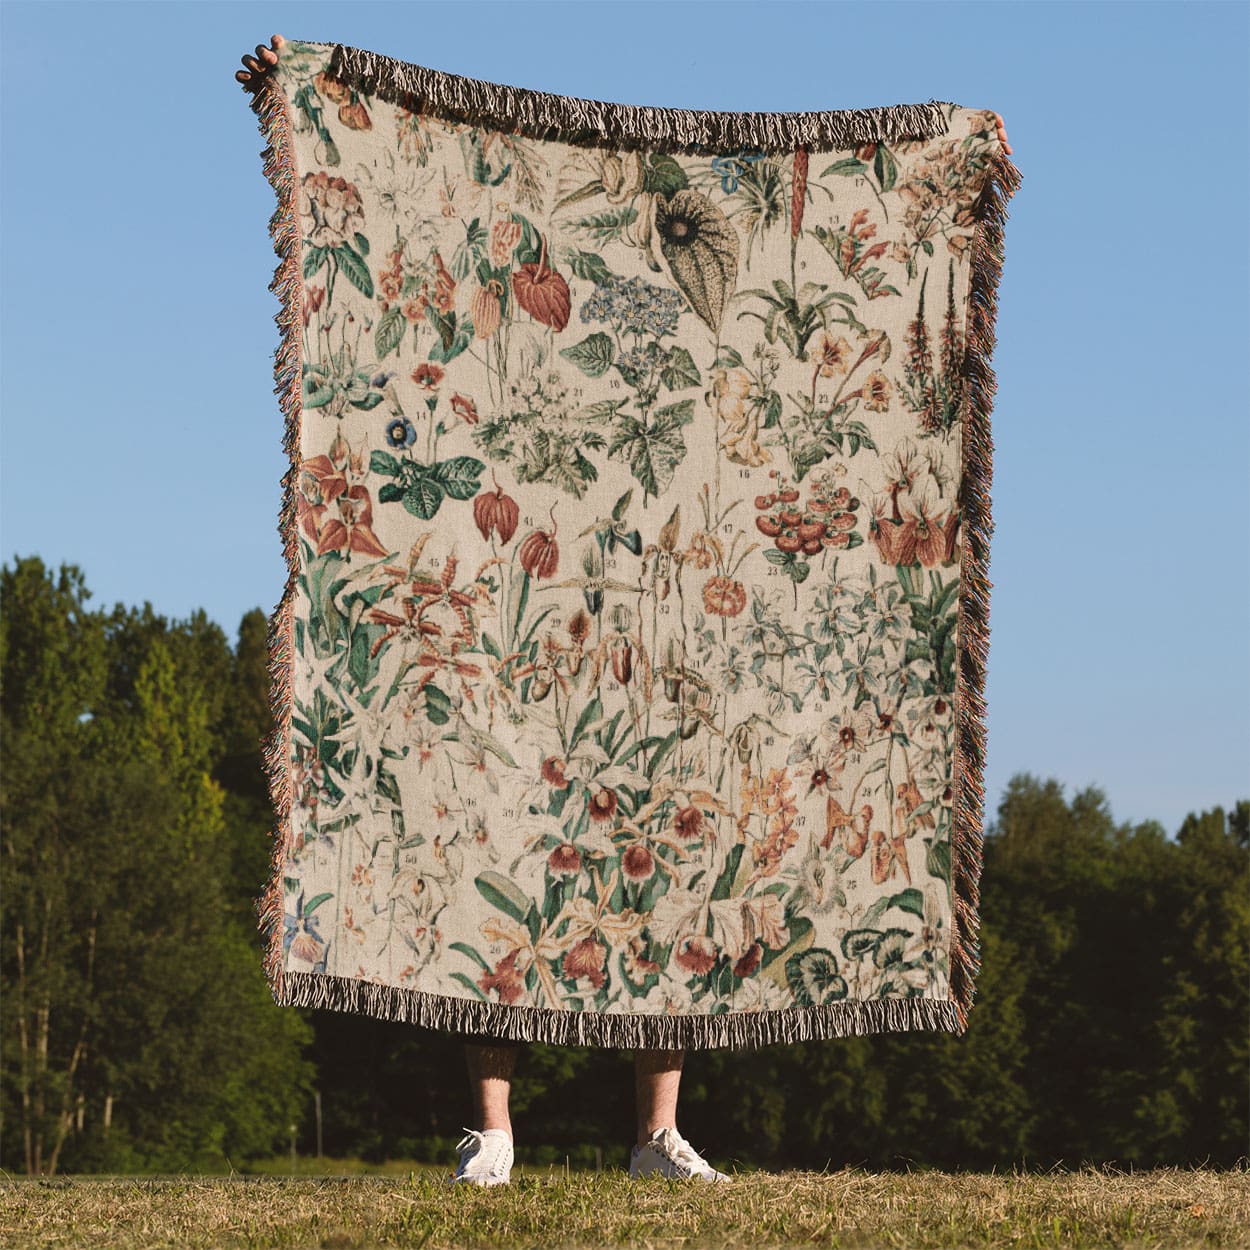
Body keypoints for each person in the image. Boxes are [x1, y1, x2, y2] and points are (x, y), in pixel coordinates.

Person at [235, 35, 1013, 1187]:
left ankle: (655, 1133)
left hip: (674, 631)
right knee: (486, 835)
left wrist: (959, 152)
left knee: (679, 860)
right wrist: (305, 79)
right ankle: (492, 1129)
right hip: (539, 624)